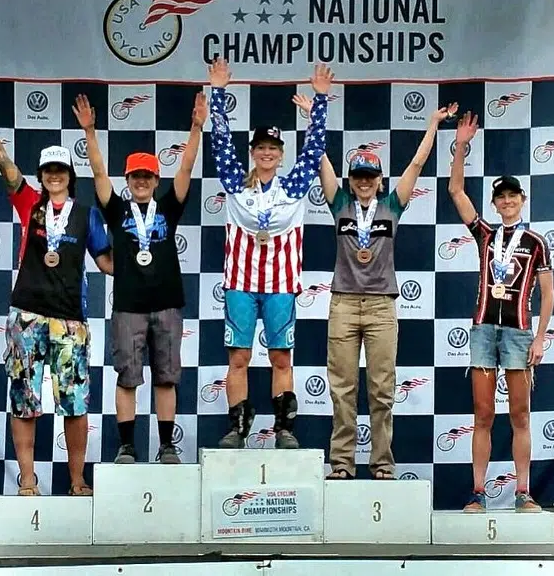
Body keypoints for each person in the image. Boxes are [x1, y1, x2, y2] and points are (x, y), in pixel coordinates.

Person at [0, 82, 113, 496]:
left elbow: (106, 263)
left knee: (75, 402)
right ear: (42, 175)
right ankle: (27, 480)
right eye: (48, 170)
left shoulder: (87, 215)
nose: (54, 175)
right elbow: (2, 159)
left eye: (61, 170)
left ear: (70, 175)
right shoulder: (29, 202)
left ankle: (77, 481)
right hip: (26, 315)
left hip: (70, 321)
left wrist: (144, 267)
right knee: (24, 399)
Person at [293, 93, 458, 479]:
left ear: (380, 181)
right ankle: (342, 464)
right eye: (358, 177)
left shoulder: (392, 206)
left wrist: (433, 125)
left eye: (370, 177)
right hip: (344, 304)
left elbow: (416, 164)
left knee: (382, 390)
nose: (364, 182)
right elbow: (321, 159)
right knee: (342, 389)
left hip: (383, 305)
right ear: (351, 181)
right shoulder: (339, 204)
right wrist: (314, 118)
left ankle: (382, 463)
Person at [73, 92, 207, 464]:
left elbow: (186, 169)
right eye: (136, 176)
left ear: (156, 179)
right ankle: (127, 446)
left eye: (148, 176)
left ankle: (166, 445)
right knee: (127, 377)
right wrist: (90, 132)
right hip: (128, 307)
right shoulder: (117, 209)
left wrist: (196, 127)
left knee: (166, 378)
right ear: (128, 179)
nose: (142, 181)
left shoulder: (169, 207)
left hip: (167, 304)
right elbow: (99, 173)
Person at [208, 58, 332, 449]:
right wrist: (218, 92)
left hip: (280, 284)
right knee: (238, 359)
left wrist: (320, 101)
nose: (266, 153)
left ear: (280, 154)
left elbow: (314, 149)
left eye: (273, 148)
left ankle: (283, 430)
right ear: (252, 152)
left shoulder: (293, 187)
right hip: (240, 284)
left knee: (281, 358)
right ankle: (237, 430)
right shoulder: (234, 182)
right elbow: (220, 141)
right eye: (261, 147)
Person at [448, 111, 554, 512]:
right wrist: (461, 147)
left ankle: (523, 492)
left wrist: (540, 338)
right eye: (501, 197)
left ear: (522, 200)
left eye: (513, 196)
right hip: (483, 331)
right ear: (494, 203)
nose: (507, 201)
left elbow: (548, 294)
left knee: (521, 415)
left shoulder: (536, 242)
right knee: (482, 414)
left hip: (519, 332)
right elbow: (456, 191)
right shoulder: (485, 235)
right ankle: (477, 492)